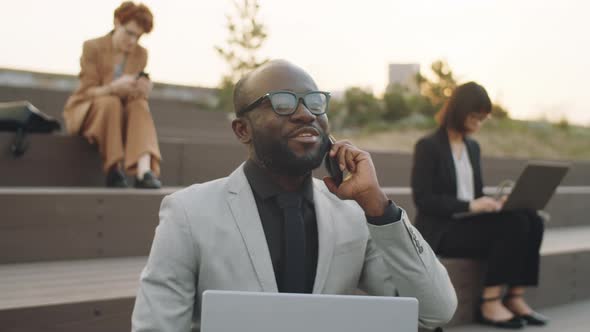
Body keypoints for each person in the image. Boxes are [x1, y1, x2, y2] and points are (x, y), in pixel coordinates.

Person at [132, 60, 457, 331]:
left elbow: (435, 311)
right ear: (242, 129)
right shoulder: (188, 213)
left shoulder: (355, 215)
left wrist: (377, 206)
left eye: (315, 102)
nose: (306, 114)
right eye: (283, 102)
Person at [411, 82, 548, 329]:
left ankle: (515, 297)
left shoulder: (473, 147)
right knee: (514, 224)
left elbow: (475, 193)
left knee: (532, 218)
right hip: (442, 229)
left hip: (469, 223)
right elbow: (424, 199)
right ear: (459, 111)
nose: (479, 123)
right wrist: (471, 205)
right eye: (475, 116)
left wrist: (496, 204)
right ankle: (490, 302)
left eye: (483, 118)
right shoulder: (428, 146)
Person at [63, 1, 161, 188]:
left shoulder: (141, 54)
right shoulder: (92, 47)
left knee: (140, 103)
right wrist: (114, 87)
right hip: (90, 109)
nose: (132, 41)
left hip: (121, 111)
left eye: (138, 37)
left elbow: (132, 97)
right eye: (129, 33)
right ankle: (113, 169)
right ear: (117, 22)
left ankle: (143, 171)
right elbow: (87, 91)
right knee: (111, 102)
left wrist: (141, 88)